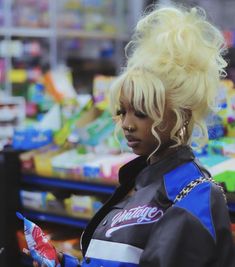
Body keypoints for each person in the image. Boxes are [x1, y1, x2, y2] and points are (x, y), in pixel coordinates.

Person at [26, 4, 235, 267]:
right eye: (122, 112)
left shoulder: (192, 197)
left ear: (179, 114)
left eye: (141, 112)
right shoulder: (136, 183)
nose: (127, 124)